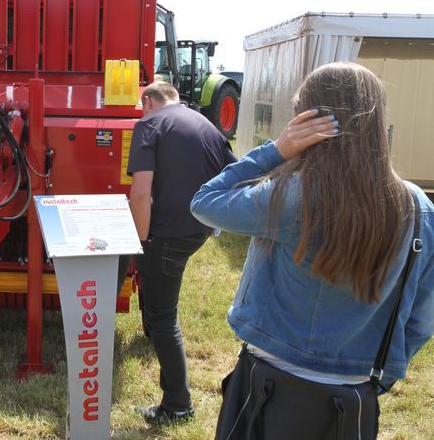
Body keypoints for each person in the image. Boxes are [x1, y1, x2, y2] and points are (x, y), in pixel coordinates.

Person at [190, 62, 434, 437]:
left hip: (270, 384)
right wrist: (380, 376)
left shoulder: (292, 195)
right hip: (354, 392)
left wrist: (276, 150)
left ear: (309, 119)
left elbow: (205, 202)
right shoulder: (419, 208)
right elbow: (420, 316)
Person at [126, 81, 236, 426]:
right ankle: (176, 400)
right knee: (164, 313)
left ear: (148, 101)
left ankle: (178, 405)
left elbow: (141, 193)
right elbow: (235, 176)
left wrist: (138, 242)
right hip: (195, 231)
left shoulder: (149, 124)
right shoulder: (206, 125)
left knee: (162, 319)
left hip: (164, 236)